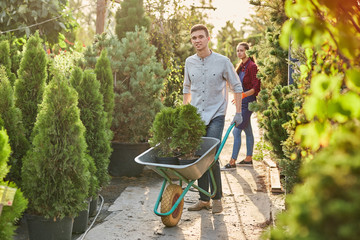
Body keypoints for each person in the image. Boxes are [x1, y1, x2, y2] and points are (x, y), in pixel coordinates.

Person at [183, 24, 243, 213]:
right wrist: (185, 113)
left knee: (212, 156)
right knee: (200, 157)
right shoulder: (189, 62)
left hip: (216, 115)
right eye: (194, 38)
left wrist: (238, 112)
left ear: (208, 39)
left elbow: (237, 87)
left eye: (201, 37)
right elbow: (186, 88)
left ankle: (217, 198)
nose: (197, 40)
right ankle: (204, 199)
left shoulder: (222, 61)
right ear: (191, 41)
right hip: (196, 117)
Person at [223, 42, 261, 169]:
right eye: (237, 50)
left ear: (247, 52)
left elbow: (256, 88)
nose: (239, 53)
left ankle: (232, 161)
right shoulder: (241, 67)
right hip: (243, 103)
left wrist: (243, 95)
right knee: (248, 131)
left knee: (236, 131)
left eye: (241, 50)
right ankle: (248, 159)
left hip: (249, 103)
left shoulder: (252, 66)